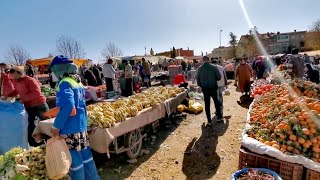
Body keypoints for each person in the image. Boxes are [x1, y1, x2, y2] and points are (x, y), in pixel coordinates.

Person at [49, 56, 99, 180]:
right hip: (80, 126)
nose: (53, 74)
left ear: (59, 69)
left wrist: (56, 126)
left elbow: (68, 106)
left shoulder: (64, 83)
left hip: (69, 128)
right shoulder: (77, 81)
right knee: (86, 157)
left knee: (75, 162)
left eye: (53, 70)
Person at [7, 66, 48, 146]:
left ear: (20, 73)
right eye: (11, 76)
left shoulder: (30, 80)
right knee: (31, 125)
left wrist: (23, 99)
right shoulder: (16, 81)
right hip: (29, 106)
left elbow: (36, 93)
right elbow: (16, 90)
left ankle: (50, 141)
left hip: (39, 105)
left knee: (45, 123)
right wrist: (8, 96)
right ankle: (35, 144)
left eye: (14, 75)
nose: (13, 78)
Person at [196, 56, 222, 125]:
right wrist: (213, 79)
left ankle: (209, 121)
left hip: (205, 89)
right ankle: (219, 117)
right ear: (209, 60)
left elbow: (198, 80)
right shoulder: (214, 67)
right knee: (216, 102)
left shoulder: (200, 68)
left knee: (207, 105)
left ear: (203, 60)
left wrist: (201, 85)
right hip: (213, 87)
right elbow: (219, 77)